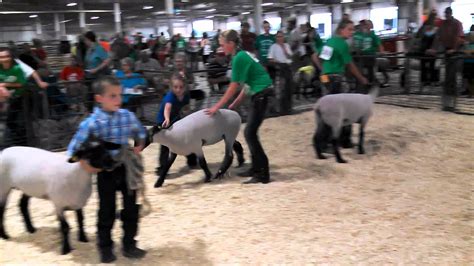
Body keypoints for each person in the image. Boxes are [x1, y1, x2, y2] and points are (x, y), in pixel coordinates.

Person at [67, 76, 147, 263]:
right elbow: (73, 150)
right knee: (106, 210)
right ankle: (105, 247)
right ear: (99, 98)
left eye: (120, 95)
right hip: (105, 171)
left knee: (130, 208)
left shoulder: (127, 117)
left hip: (126, 169)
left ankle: (129, 244)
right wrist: (86, 165)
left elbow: (142, 133)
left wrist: (139, 145)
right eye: (112, 96)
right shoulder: (91, 123)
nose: (118, 100)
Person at [206, 29, 272, 184]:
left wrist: (217, 107)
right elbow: (247, 85)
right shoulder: (242, 55)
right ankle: (256, 168)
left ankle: (263, 173)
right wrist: (234, 104)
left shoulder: (238, 58)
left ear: (231, 43)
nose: (222, 48)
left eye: (223, 45)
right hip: (261, 92)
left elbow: (233, 87)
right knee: (250, 132)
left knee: (250, 133)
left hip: (261, 94)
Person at [314, 20, 368, 148]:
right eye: (349, 29)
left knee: (328, 110)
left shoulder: (330, 42)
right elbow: (350, 64)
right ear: (341, 29)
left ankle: (324, 142)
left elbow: (315, 56)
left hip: (326, 78)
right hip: (337, 79)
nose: (352, 32)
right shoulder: (342, 44)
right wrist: (361, 78)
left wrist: (323, 70)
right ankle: (344, 141)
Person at [155, 73, 198, 175]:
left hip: (176, 120)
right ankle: (162, 169)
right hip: (163, 121)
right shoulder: (170, 96)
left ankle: (192, 161)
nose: (178, 90)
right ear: (171, 87)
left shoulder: (186, 95)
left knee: (185, 140)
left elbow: (186, 107)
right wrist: (167, 119)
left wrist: (188, 114)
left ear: (185, 87)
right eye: (175, 87)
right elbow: (167, 108)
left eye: (181, 87)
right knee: (165, 145)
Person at [427, 7, 464, 111]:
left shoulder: (457, 23)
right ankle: (447, 102)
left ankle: (454, 102)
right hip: (447, 51)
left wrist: (454, 49)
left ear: (451, 13)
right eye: (445, 13)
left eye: (448, 13)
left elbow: (459, 38)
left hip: (457, 51)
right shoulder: (442, 25)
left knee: (453, 76)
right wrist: (433, 49)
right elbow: (437, 38)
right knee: (447, 76)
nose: (446, 15)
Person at [0, 47, 28, 147]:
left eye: (7, 56)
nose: (4, 59)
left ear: (11, 57)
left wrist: (4, 84)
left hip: (17, 98)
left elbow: (22, 83)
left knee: (15, 123)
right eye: (1, 57)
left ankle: (21, 144)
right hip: (3, 100)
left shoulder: (17, 68)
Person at [268, 31, 293, 115]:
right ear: (276, 38)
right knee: (281, 89)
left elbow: (290, 56)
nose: (280, 38)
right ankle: (280, 109)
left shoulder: (287, 46)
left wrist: (284, 49)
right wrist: (278, 62)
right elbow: (270, 58)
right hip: (279, 67)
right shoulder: (273, 47)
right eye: (278, 37)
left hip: (287, 67)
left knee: (288, 89)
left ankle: (288, 108)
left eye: (281, 36)